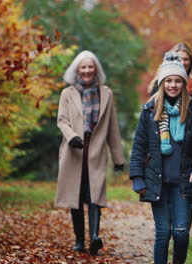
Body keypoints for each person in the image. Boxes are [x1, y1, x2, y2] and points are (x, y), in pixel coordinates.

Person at [129, 51, 192, 264]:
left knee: (181, 231)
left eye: (177, 81)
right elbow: (139, 146)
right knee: (163, 233)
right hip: (158, 182)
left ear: (184, 83)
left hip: (184, 182)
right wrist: (137, 177)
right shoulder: (150, 110)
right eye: (169, 81)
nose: (173, 85)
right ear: (162, 82)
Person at [55, 50, 125, 255]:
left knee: (94, 195)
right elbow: (62, 120)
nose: (87, 70)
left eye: (90, 67)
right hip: (74, 152)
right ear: (77, 69)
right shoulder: (67, 93)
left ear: (96, 69)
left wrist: (118, 158)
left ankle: (95, 238)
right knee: (75, 197)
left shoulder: (106, 93)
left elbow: (112, 127)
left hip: (95, 152)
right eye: (83, 67)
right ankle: (79, 241)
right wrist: (71, 136)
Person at [148, 43, 192, 117]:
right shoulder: (160, 84)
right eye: (179, 59)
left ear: (191, 62)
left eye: (186, 59)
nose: (182, 63)